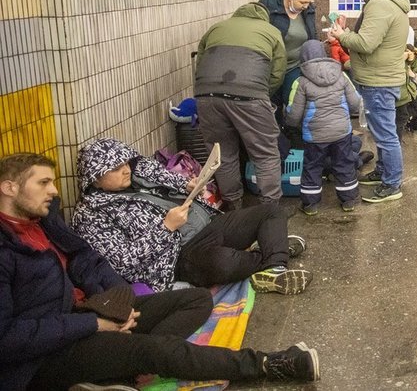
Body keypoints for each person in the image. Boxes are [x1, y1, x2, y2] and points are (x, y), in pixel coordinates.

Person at [0, 153, 319, 391]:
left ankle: (124, 369)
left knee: (195, 300)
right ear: (9, 187)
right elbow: (8, 339)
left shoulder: (43, 222)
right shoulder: (18, 244)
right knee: (160, 347)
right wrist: (94, 323)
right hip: (45, 356)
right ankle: (268, 363)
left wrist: (117, 305)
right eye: (43, 183)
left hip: (87, 312)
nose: (54, 191)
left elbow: (90, 261)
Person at [72, 139, 311, 295]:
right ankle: (271, 252)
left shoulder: (136, 176)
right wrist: (165, 229)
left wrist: (188, 185)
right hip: (178, 255)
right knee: (223, 262)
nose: (125, 169)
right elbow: (124, 263)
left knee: (271, 210)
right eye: (115, 168)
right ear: (94, 177)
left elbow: (159, 173)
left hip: (208, 224)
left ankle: (274, 267)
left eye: (125, 163)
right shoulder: (90, 216)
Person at [332, 0, 411, 204]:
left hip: (379, 81)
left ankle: (392, 183)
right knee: (383, 134)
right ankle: (384, 172)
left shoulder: (380, 4)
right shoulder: (387, 1)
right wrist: (346, 35)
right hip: (382, 77)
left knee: (386, 136)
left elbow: (366, 44)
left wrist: (342, 35)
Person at [194, 2, 286, 207]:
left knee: (223, 153)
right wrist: (262, 94)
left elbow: (199, 63)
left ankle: (233, 206)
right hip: (250, 95)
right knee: (265, 153)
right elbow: (278, 72)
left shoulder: (216, 27)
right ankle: (269, 209)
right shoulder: (271, 31)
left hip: (207, 95)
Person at [286, 40, 362, 214]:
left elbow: (294, 115)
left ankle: (311, 204)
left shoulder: (301, 82)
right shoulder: (341, 76)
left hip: (314, 136)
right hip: (342, 132)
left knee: (312, 167)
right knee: (344, 164)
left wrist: (290, 121)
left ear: (303, 58)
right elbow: (356, 104)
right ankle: (349, 200)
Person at [260, 0, 318, 116]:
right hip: (272, 68)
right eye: (302, 2)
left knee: (294, 104)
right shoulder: (268, 7)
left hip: (296, 67)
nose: (306, 6)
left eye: (308, 2)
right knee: (272, 108)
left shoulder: (308, 11)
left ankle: (293, 135)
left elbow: (312, 35)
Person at [395, 45, 417, 139]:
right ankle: (396, 144)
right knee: (401, 117)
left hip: (408, 87)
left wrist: (409, 61)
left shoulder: (416, 58)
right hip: (401, 88)